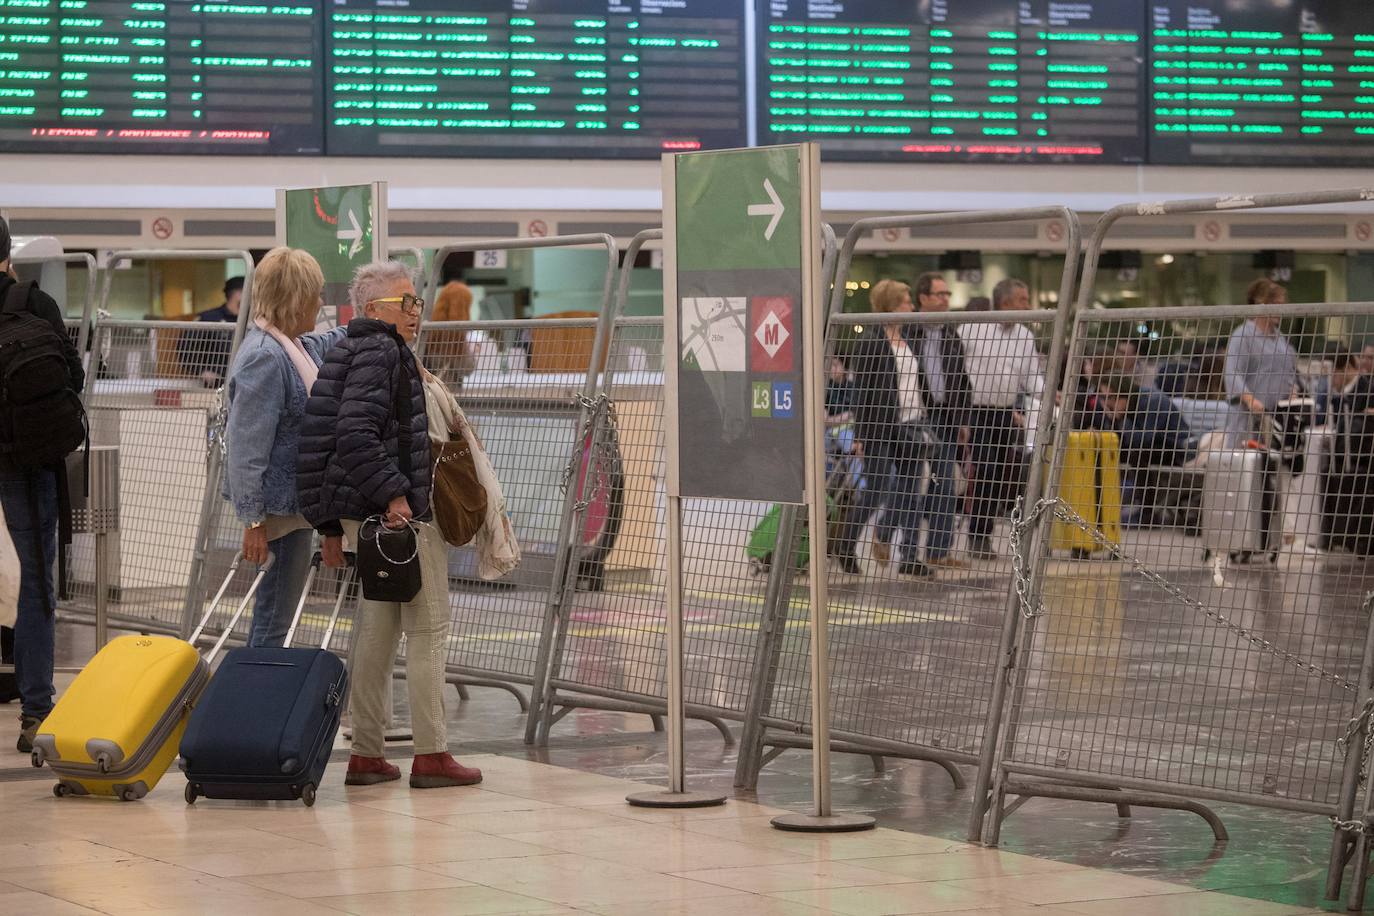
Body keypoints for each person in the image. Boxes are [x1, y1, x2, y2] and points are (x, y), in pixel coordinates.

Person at [297, 260, 481, 789]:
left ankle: (368, 752)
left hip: (362, 515)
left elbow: (323, 443)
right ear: (374, 309)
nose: (415, 312)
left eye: (415, 302)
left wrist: (332, 524)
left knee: (375, 630)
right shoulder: (382, 350)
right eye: (406, 303)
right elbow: (356, 434)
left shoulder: (347, 349)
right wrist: (396, 494)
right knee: (429, 627)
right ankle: (432, 753)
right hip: (398, 514)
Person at [223, 248, 346, 648]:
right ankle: (258, 700)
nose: (322, 302)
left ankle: (260, 696)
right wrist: (254, 522)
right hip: (275, 512)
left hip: (289, 505)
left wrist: (370, 323)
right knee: (275, 619)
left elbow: (327, 342)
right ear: (296, 298)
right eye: (317, 293)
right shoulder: (265, 357)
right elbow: (247, 447)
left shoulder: (289, 346)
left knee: (277, 615)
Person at [0, 216, 85, 751]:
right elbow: (71, 377)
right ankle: (36, 710)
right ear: (9, 252)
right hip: (28, 464)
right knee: (35, 583)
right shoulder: (34, 304)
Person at [843, 279, 930, 577]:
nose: (911, 305)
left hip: (912, 422)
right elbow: (862, 393)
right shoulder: (870, 342)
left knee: (910, 489)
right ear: (891, 305)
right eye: (906, 300)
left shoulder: (911, 341)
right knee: (877, 488)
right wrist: (860, 435)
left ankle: (908, 554)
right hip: (881, 425)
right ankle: (845, 542)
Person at [958, 278, 1041, 560]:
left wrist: (1049, 392)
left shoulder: (1025, 336)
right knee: (985, 470)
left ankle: (985, 533)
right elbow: (955, 368)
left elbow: (1032, 377)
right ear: (1005, 303)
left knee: (1002, 475)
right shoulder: (972, 329)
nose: (1027, 305)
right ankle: (977, 535)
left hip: (1005, 413)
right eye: (1022, 299)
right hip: (977, 411)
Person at [909, 271, 973, 569]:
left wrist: (963, 421)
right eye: (940, 294)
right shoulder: (909, 333)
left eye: (948, 294)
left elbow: (961, 382)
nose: (946, 299)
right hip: (914, 417)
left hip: (946, 416)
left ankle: (938, 549)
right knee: (910, 484)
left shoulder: (950, 334)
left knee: (945, 482)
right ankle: (903, 549)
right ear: (923, 298)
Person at [1096, 375, 1193, 526]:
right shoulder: (1122, 408)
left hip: (1177, 450)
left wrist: (1121, 420)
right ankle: (1103, 506)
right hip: (1150, 450)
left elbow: (1146, 440)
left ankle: (1146, 513)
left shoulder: (1152, 400)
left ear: (1125, 393)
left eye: (1111, 397)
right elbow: (1119, 441)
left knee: (1137, 452)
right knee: (1104, 452)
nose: (1108, 403)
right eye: (1104, 397)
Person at [1224, 279, 1297, 447]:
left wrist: (1292, 389)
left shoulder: (1280, 338)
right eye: (1276, 304)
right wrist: (1250, 400)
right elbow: (1232, 372)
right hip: (1248, 417)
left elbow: (1289, 369)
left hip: (1276, 419)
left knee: (1271, 465)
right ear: (1261, 303)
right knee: (1246, 465)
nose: (1281, 309)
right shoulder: (1242, 335)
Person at [178, 276, 244, 387]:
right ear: (238, 294)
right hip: (216, 384)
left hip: (243, 383)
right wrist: (201, 371)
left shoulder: (251, 320)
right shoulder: (209, 318)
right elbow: (185, 347)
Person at [425, 280, 476, 386]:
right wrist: (473, 351)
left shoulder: (428, 328)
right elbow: (467, 369)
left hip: (431, 389)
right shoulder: (458, 334)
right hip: (451, 391)